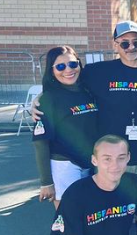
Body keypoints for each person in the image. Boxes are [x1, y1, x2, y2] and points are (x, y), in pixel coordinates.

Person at [33, 21, 137, 221]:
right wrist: (40, 98)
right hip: (113, 161)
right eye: (125, 43)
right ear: (115, 44)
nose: (131, 48)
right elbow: (66, 78)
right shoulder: (97, 72)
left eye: (136, 42)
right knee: (113, 215)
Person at [50, 135, 137, 235]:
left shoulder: (135, 183)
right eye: (107, 159)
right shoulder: (75, 194)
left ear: (128, 158)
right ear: (94, 160)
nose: (115, 165)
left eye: (121, 158)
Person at [33, 46, 99, 209]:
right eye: (61, 66)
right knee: (68, 215)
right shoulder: (48, 99)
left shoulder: (88, 91)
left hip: (91, 163)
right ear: (52, 70)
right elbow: (40, 142)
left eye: (72, 64)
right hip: (65, 165)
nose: (68, 70)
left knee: (88, 213)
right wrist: (46, 182)